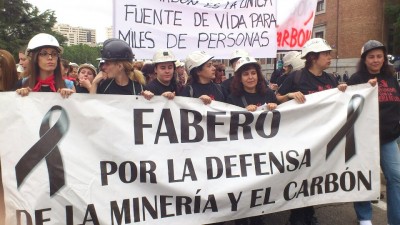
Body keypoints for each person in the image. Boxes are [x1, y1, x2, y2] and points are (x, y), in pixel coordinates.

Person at [276, 38, 347, 225]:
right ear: (314, 57)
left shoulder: (331, 78)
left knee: (315, 178)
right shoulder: (297, 77)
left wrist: (342, 91)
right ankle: (297, 217)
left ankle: (309, 215)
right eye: (326, 54)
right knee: (300, 178)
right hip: (300, 138)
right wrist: (289, 96)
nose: (330, 57)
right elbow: (276, 99)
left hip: (322, 139)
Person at [348, 40, 400, 225]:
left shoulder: (391, 78)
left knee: (395, 177)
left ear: (384, 58)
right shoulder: (356, 79)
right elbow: (348, 107)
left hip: (389, 139)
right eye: (371, 57)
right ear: (364, 60)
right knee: (363, 176)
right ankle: (364, 218)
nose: (376, 60)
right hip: (364, 140)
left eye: (379, 56)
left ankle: (395, 220)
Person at [15, 33, 75, 98]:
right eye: (44, 53)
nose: (50, 57)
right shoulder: (22, 83)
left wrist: (70, 98)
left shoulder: (68, 85)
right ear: (34, 57)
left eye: (54, 54)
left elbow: (75, 107)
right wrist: (20, 96)